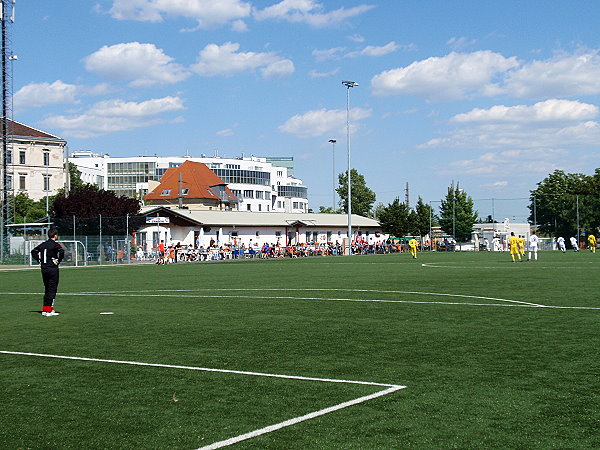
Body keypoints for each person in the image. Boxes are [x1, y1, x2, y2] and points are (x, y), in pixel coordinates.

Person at [31, 228, 64, 317]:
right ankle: (49, 310)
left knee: (47, 289)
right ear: (55, 235)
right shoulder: (55, 245)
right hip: (52, 269)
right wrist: (58, 260)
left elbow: (33, 251)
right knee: (52, 289)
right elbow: (62, 251)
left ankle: (45, 309)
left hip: (44, 268)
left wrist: (39, 260)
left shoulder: (43, 244)